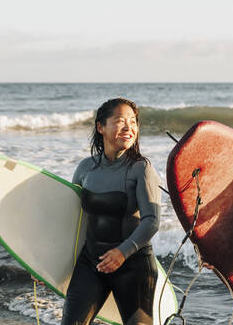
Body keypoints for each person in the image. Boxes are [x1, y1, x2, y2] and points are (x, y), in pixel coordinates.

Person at [61, 98, 161, 325]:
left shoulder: (141, 169)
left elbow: (152, 221)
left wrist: (122, 253)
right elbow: (71, 220)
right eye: (120, 121)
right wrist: (46, 263)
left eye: (133, 122)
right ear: (100, 127)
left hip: (133, 266)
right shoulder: (85, 168)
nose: (129, 128)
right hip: (92, 262)